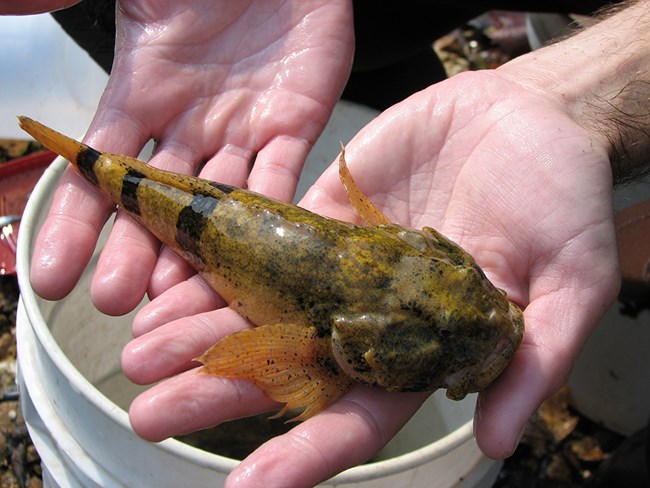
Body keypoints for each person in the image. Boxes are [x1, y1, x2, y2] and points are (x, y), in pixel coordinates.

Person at [3, 1, 649, 486]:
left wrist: (574, 99)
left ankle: (88, 158)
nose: (497, 325)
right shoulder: (334, 330)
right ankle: (89, 160)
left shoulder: (376, 264)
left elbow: (257, 350)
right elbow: (260, 352)